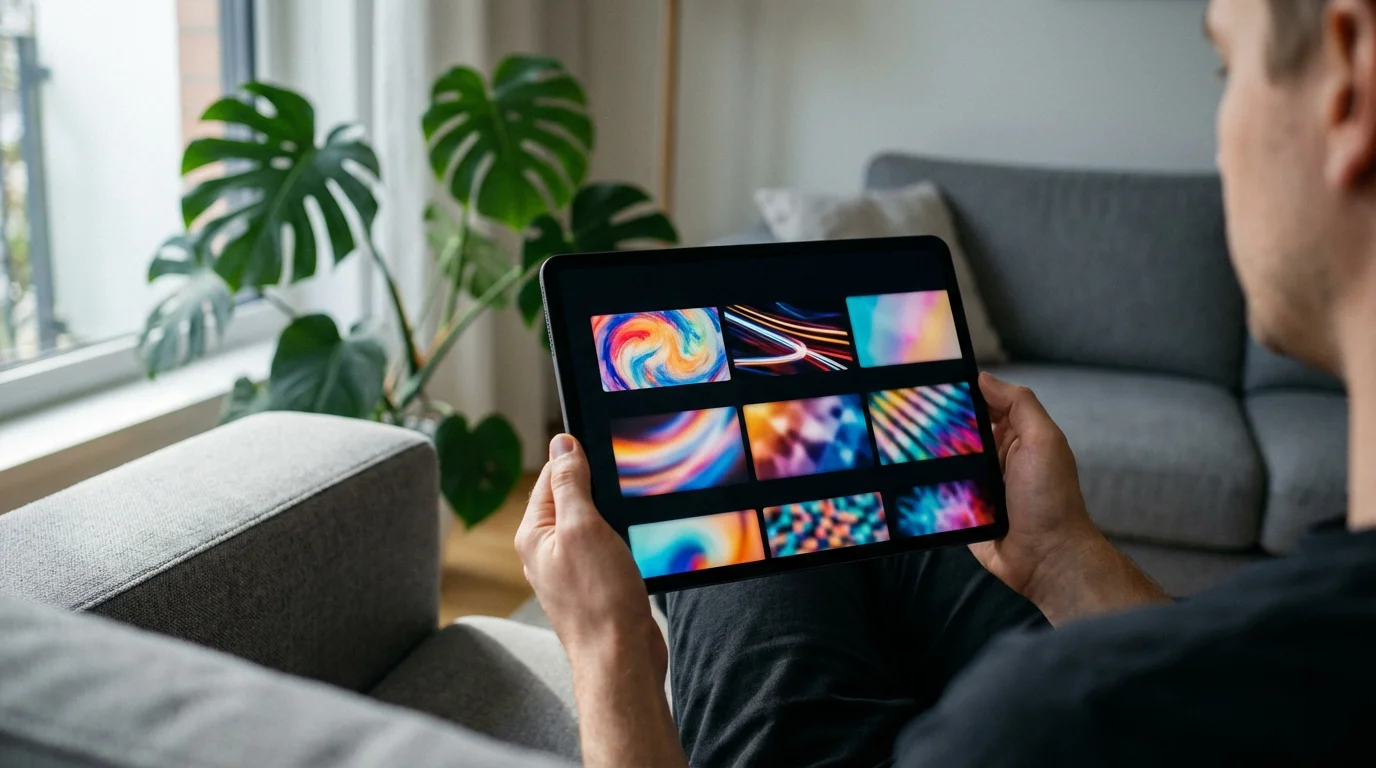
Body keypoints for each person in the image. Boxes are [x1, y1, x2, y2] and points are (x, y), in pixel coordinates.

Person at [515, 0, 1376, 764]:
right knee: (858, 513)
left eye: (1226, 67)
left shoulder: (1043, 719)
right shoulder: (1296, 662)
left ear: (1348, 80)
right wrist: (1064, 558)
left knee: (737, 519)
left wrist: (611, 654)